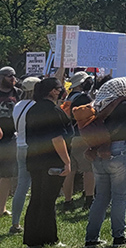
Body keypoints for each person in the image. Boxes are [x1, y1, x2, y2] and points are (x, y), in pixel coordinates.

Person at [84, 77, 126, 247]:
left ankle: (91, 237)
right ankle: (118, 236)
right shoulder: (124, 106)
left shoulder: (96, 106)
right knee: (120, 197)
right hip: (121, 150)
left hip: (99, 151)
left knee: (101, 198)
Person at [24, 77, 71, 248]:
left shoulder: (33, 109)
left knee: (37, 198)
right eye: (60, 88)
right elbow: (57, 139)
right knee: (48, 200)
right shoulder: (52, 111)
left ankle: (33, 238)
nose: (63, 91)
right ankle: (48, 238)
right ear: (53, 91)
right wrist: (67, 162)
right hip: (52, 160)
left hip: (34, 160)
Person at [9, 76, 39, 234]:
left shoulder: (18, 105)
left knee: (22, 185)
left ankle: (15, 223)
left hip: (19, 145)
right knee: (38, 185)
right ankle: (36, 221)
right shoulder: (36, 106)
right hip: (33, 147)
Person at [63, 71, 95, 210]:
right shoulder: (84, 98)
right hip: (81, 136)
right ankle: (89, 199)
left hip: (68, 137)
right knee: (89, 169)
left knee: (70, 170)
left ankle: (67, 201)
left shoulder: (68, 97)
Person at [0, 66, 22, 215]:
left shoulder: (18, 93)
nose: (13, 79)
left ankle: (1, 208)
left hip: (11, 138)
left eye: (14, 76)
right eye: (9, 76)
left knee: (6, 174)